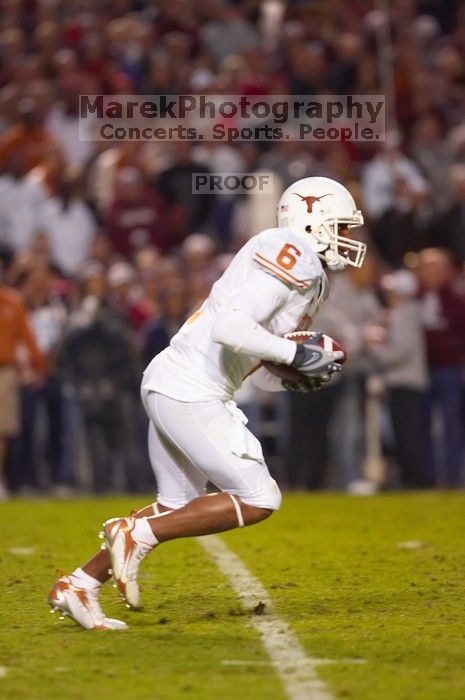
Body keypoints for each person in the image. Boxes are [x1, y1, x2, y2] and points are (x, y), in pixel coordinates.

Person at [48, 176, 367, 630]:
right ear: (311, 221)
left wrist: (293, 378)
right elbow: (231, 329)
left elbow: (253, 353)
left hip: (176, 380)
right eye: (340, 226)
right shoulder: (291, 253)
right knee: (260, 497)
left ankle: (78, 584)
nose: (347, 238)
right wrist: (297, 355)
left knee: (174, 504)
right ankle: (132, 533)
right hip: (192, 387)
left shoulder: (306, 274)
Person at [0, 267, 46, 499]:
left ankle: (0, 481)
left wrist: (39, 367)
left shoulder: (12, 303)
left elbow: (28, 338)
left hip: (5, 371)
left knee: (2, 431)